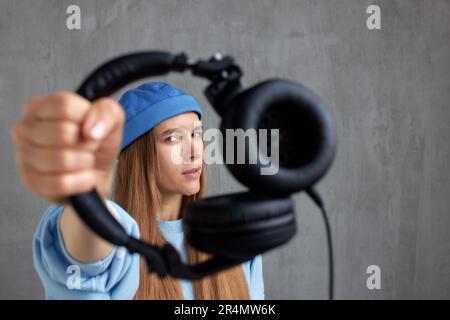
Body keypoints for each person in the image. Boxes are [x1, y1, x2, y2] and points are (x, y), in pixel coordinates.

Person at [11, 82, 264, 300]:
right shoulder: (113, 246)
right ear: (137, 155)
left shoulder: (236, 239)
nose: (195, 151)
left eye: (196, 134)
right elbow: (84, 244)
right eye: (172, 138)